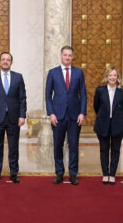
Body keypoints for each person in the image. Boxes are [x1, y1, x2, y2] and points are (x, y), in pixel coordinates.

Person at [45, 45, 87, 185]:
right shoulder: (52, 73)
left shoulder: (79, 73)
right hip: (58, 115)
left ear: (73, 57)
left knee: (73, 145)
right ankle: (59, 173)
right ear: (61, 56)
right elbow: (48, 95)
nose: (67, 57)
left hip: (75, 116)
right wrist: (51, 113)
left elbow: (83, 94)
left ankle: (73, 173)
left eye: (70, 55)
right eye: (65, 55)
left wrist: (82, 112)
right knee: (58, 145)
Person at [0, 52, 27, 183]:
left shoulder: (18, 78)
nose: (5, 62)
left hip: (14, 118)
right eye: (3, 59)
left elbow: (22, 98)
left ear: (11, 62)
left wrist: (22, 115)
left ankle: (14, 172)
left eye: (8, 60)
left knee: (13, 146)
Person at [94, 66, 123, 185]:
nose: (112, 77)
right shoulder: (100, 90)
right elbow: (96, 106)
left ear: (118, 77)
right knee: (104, 150)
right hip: (103, 123)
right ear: (106, 77)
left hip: (118, 124)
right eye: (110, 75)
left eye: (115, 75)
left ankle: (112, 174)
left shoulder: (121, 91)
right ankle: (105, 174)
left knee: (115, 150)